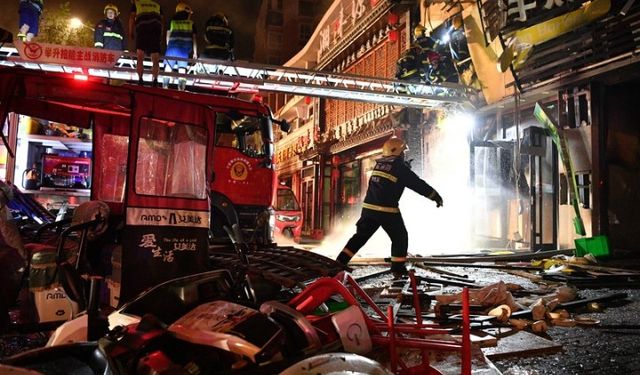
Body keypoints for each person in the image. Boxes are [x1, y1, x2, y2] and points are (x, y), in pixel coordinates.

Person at [335, 136, 443, 277]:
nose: (404, 154)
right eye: (403, 152)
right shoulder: (400, 168)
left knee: (360, 237)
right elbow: (418, 184)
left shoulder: (379, 165)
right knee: (400, 237)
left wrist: (405, 169)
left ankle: (339, 263)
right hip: (387, 210)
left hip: (369, 209)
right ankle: (398, 269)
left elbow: (389, 180)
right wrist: (435, 196)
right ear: (398, 153)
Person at [163, 2, 197, 90]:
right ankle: (181, 90)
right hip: (184, 50)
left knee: (168, 69)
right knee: (182, 71)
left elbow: (167, 36)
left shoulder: (172, 22)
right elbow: (194, 40)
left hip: (171, 49)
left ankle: (164, 88)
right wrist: (195, 53)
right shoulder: (191, 24)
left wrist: (169, 47)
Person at [129, 0, 163, 86]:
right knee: (155, 59)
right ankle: (155, 80)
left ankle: (140, 80)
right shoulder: (157, 5)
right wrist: (161, 35)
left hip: (142, 32)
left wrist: (131, 32)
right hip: (155, 34)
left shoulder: (137, 4)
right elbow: (162, 22)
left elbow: (131, 18)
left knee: (140, 57)